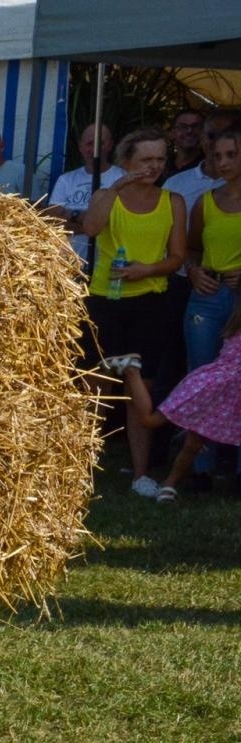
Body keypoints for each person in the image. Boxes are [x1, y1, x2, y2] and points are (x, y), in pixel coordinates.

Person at [80, 127, 188, 497]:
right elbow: (90, 227)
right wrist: (119, 186)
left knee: (140, 387)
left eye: (160, 159)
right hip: (106, 301)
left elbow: (177, 258)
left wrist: (147, 270)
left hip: (150, 303)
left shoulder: (172, 201)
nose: (154, 166)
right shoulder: (108, 194)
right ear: (127, 161)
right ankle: (80, 473)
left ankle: (140, 474)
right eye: (146, 159)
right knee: (97, 386)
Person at [108, 301, 241, 502]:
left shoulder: (234, 328)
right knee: (151, 422)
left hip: (218, 391)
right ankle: (132, 371)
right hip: (211, 391)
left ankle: (169, 484)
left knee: (193, 444)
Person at [179, 127, 241, 485]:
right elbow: (190, 249)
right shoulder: (206, 201)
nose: (223, 162)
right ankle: (199, 467)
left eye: (231, 155)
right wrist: (193, 272)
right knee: (200, 378)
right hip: (208, 292)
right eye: (218, 156)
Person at [46, 124, 125, 270]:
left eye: (100, 143)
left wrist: (71, 216)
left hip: (106, 266)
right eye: (89, 144)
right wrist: (89, 221)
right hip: (69, 265)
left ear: (110, 145)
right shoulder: (66, 179)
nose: (94, 149)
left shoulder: (121, 177)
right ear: (81, 147)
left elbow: (116, 221)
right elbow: (52, 220)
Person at [168, 108, 207, 180]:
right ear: (172, 133)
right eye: (183, 127)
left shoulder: (206, 166)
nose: (189, 131)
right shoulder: (163, 165)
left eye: (195, 126)